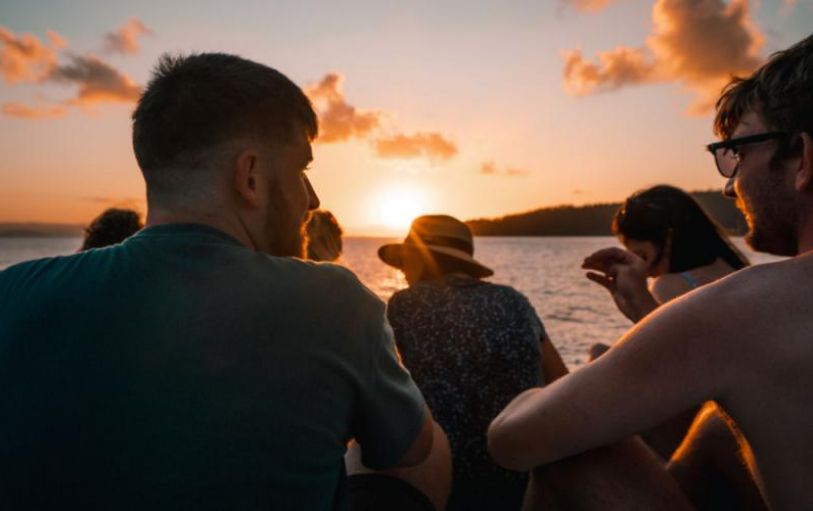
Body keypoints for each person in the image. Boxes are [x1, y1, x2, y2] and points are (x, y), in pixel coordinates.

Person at [0, 53, 436, 510]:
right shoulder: (336, 302)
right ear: (250, 177)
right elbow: (414, 450)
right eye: (302, 171)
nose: (312, 199)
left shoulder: (14, 292)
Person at [488, 34, 813, 511]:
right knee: (716, 428)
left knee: (571, 455)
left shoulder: (749, 307)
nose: (729, 187)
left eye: (737, 153)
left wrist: (529, 396)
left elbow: (512, 441)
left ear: (803, 157)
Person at [376, 215, 568, 510]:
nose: (401, 270)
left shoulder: (403, 304)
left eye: (405, 260)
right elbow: (560, 379)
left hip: (443, 482)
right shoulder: (515, 301)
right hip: (519, 480)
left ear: (422, 258)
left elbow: (380, 391)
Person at [586, 184, 749, 460]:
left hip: (700, 424)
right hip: (735, 415)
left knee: (599, 354)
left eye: (642, 257)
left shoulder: (670, 285)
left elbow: (668, 363)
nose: (646, 272)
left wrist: (639, 304)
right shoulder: (735, 270)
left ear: (668, 239)